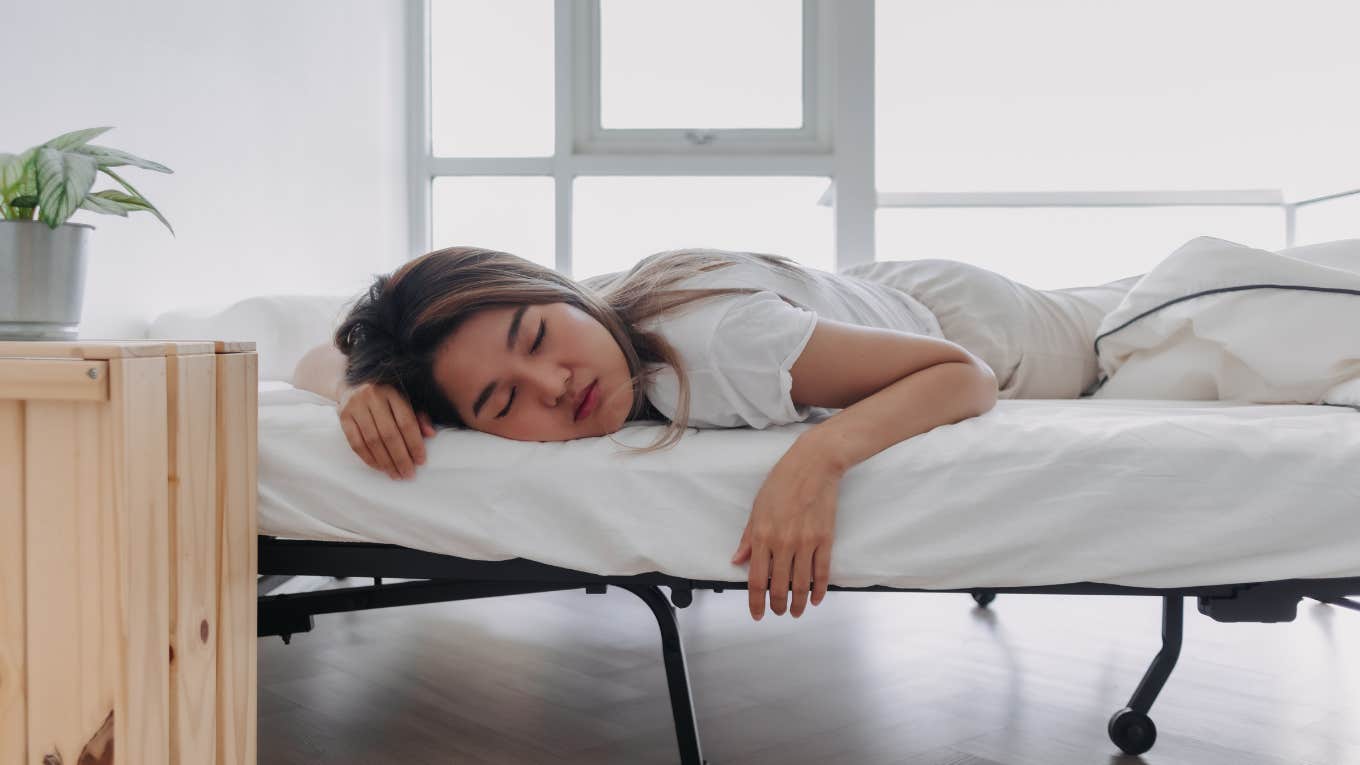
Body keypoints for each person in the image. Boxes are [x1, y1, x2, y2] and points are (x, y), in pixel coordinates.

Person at [293, 246, 1129, 621]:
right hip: (847, 298)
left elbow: (964, 375)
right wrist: (356, 386)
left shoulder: (722, 346)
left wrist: (819, 457)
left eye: (539, 340)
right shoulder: (587, 319)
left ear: (557, 290)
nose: (557, 386)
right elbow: (311, 355)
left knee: (1145, 330)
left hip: (984, 323)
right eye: (505, 405)